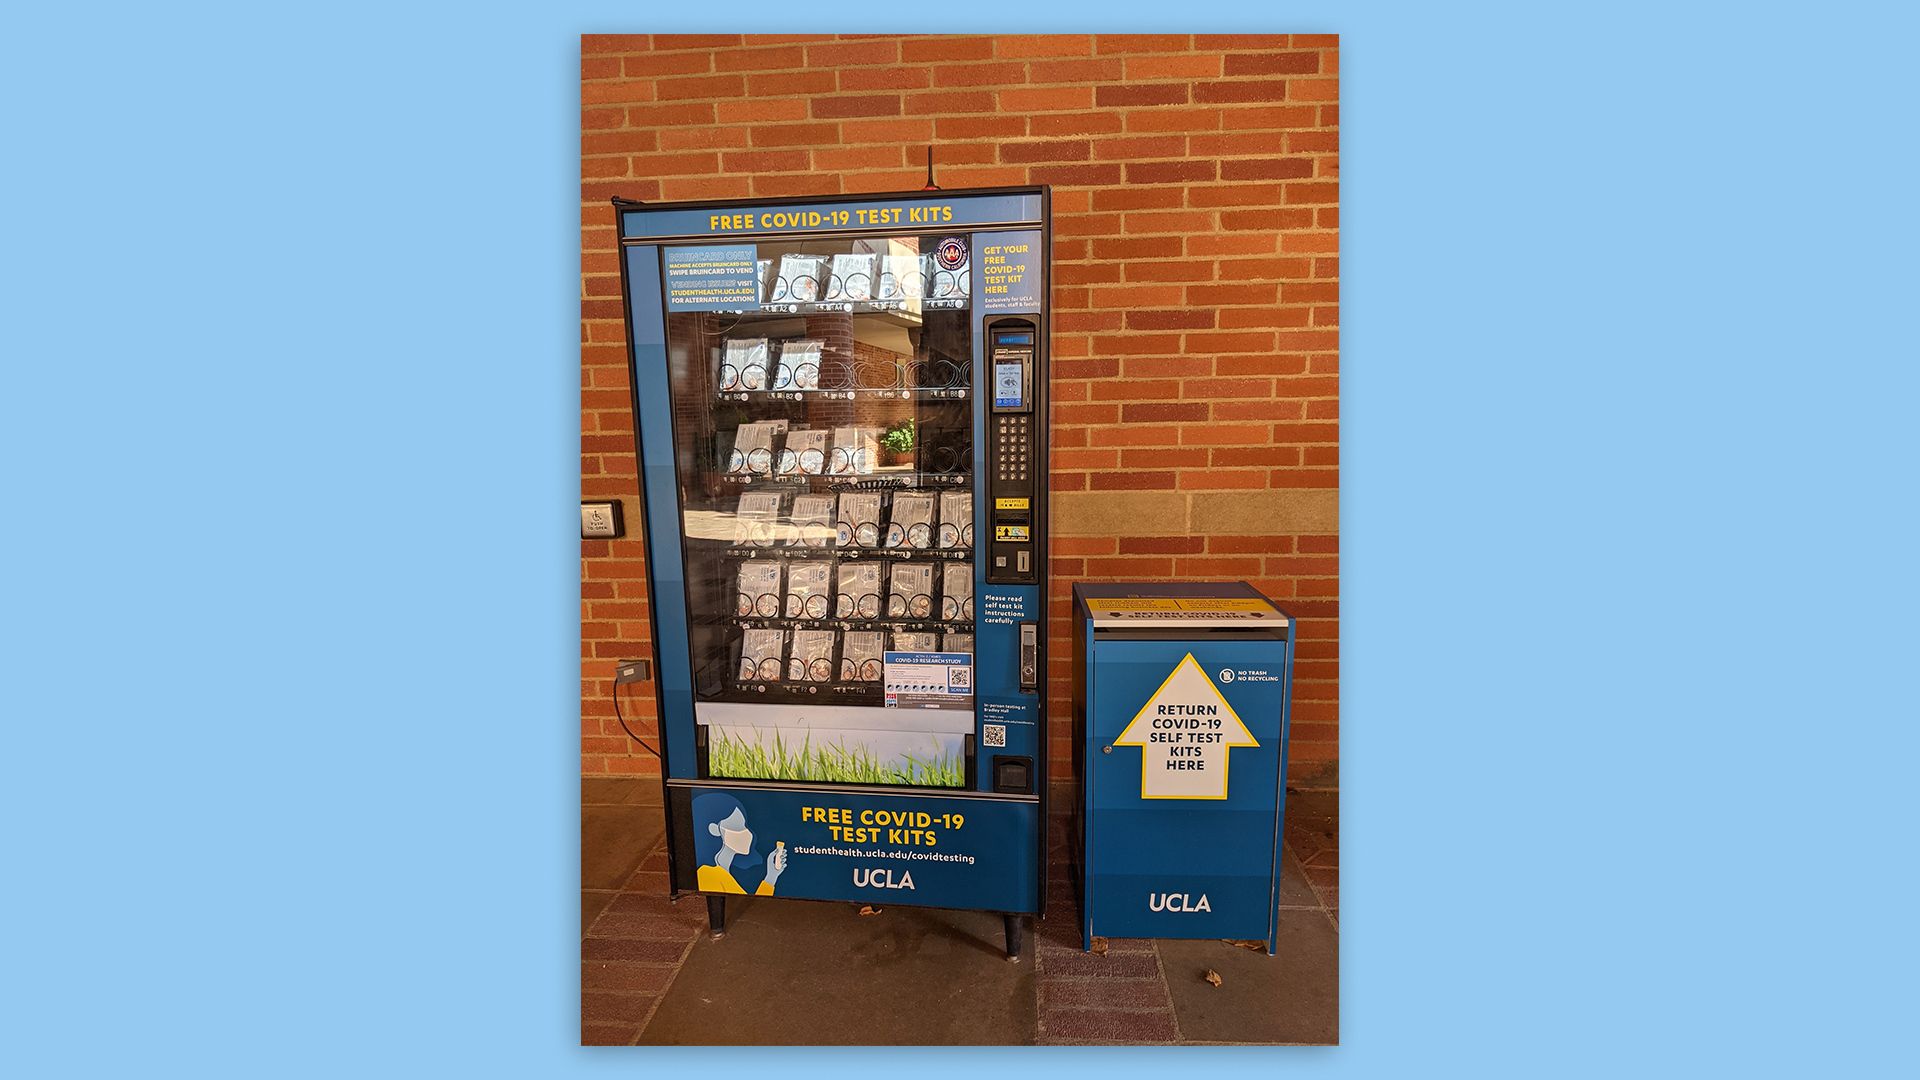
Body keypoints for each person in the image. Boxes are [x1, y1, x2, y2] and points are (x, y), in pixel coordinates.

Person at [691, 792, 786, 896]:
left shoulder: (725, 874)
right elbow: (754, 907)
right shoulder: (707, 874)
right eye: (737, 826)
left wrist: (772, 875)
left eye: (744, 826)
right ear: (714, 829)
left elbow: (753, 906)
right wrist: (771, 878)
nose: (748, 833)